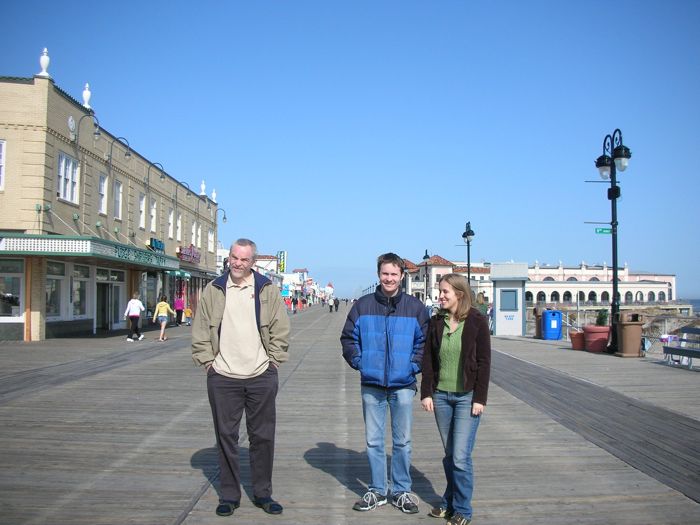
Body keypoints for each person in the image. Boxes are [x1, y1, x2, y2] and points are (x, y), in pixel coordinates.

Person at [192, 238, 290, 518]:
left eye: (244, 259)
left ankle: (263, 493)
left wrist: (274, 362)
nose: (237, 263)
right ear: (230, 258)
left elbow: (280, 327)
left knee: (263, 436)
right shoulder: (214, 289)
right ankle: (229, 495)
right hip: (222, 375)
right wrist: (208, 363)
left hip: (261, 374)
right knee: (226, 436)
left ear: (253, 262)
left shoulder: (266, 289)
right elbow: (200, 328)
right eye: (234, 257)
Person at [341, 253, 429, 514]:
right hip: (372, 384)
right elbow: (348, 338)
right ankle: (378, 489)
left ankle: (401, 490)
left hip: (403, 385)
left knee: (403, 442)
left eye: (393, 274)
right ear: (378, 275)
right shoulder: (362, 305)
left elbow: (424, 343)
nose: (389, 278)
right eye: (384, 274)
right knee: (374, 441)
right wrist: (361, 362)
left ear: (402, 276)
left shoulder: (415, 308)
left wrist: (412, 366)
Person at [420, 274, 491, 525]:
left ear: (459, 294)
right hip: (441, 396)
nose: (440, 296)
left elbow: (484, 362)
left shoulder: (477, 321)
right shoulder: (435, 322)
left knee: (460, 457)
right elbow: (428, 360)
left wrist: (479, 398)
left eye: (445, 292)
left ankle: (463, 509)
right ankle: (449, 503)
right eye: (440, 291)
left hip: (467, 397)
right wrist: (426, 392)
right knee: (450, 455)